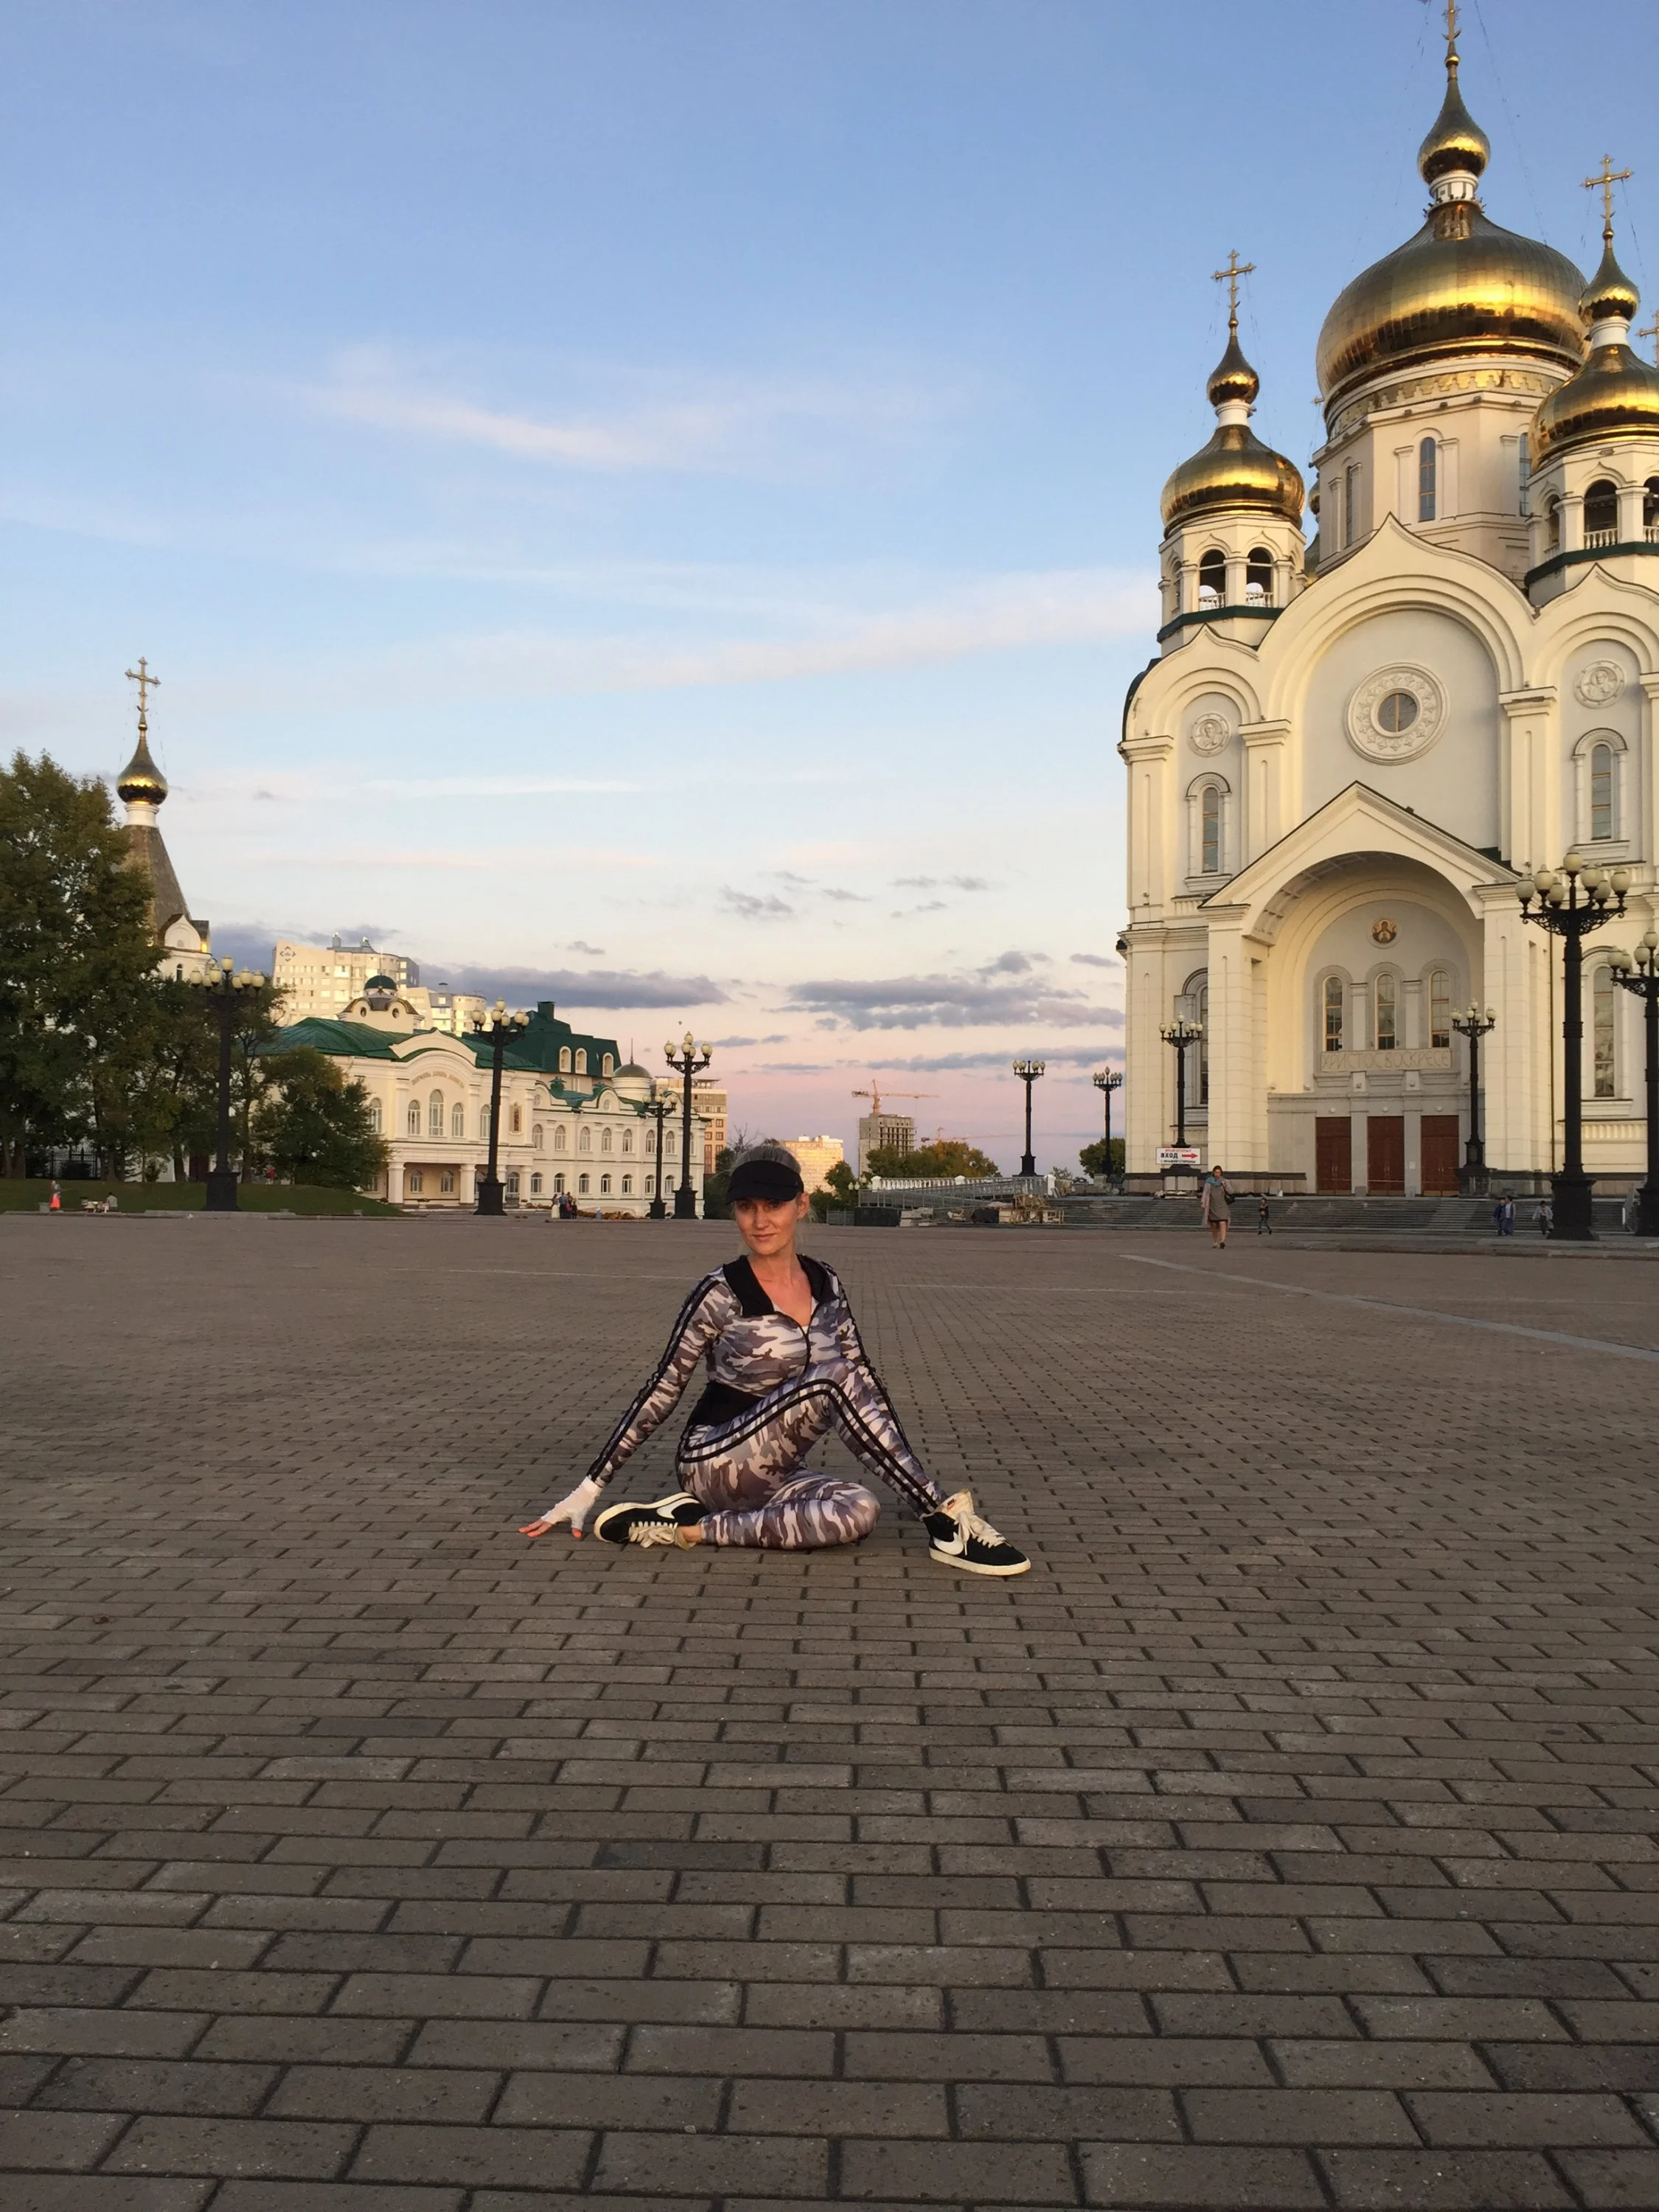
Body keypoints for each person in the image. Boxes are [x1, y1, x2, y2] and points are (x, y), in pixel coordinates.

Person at [519, 1141, 1029, 1575]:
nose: (760, 1221)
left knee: (859, 1510)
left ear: (801, 1206)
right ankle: (943, 1521)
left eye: (774, 1205)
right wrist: (589, 1487)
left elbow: (866, 1385)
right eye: (746, 1207)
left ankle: (688, 1528)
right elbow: (663, 1387)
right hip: (713, 1459)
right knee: (834, 1378)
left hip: (778, 1470)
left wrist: (899, 1459)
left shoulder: (826, 1283)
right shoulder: (721, 1292)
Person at [1200, 1164, 1232, 1248]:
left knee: (1223, 1222)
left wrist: (1224, 1185)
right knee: (1214, 1225)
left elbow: (1231, 1191)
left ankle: (1222, 1241)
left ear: (1221, 1173)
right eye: (1216, 1172)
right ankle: (1215, 1241)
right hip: (1213, 1206)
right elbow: (1205, 1192)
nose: (1217, 1174)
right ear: (1213, 1173)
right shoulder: (1209, 1182)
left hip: (1223, 1205)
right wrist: (1203, 1202)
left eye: (1219, 1173)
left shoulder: (1225, 1181)